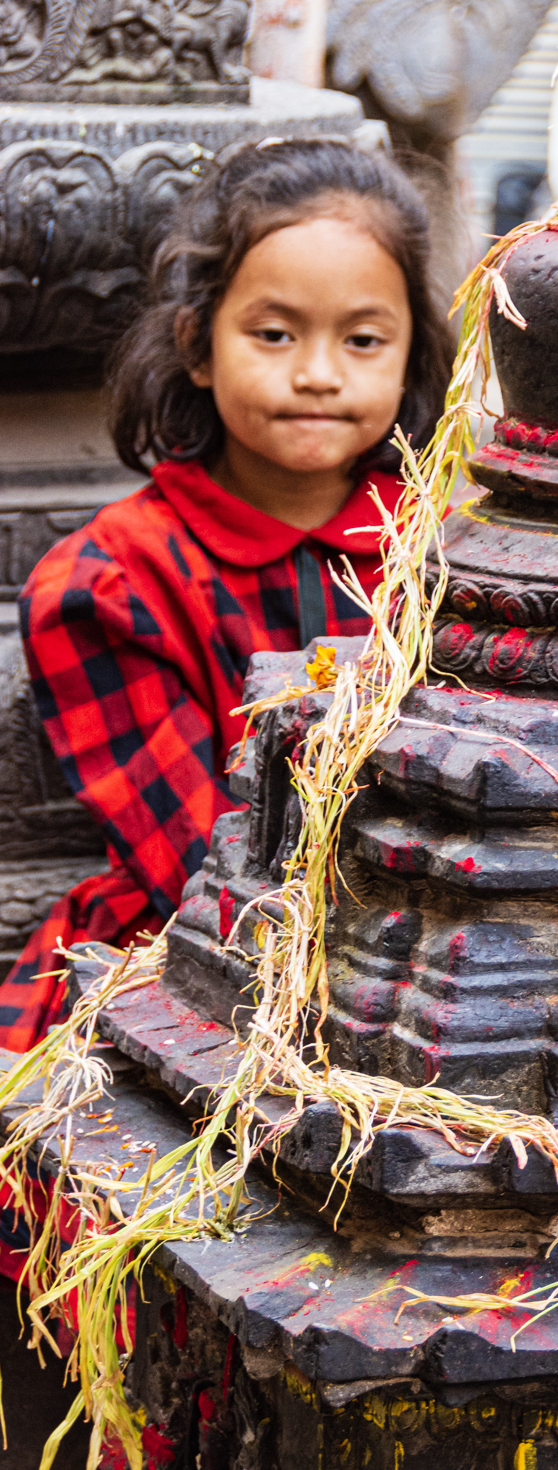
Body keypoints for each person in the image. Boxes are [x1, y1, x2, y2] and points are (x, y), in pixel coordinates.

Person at [0, 137, 451, 1080]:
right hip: (191, 959)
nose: (319, 373)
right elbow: (196, 867)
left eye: (362, 339)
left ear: (411, 355)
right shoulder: (111, 582)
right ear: (196, 345)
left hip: (438, 957)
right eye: (274, 334)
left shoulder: (449, 552)